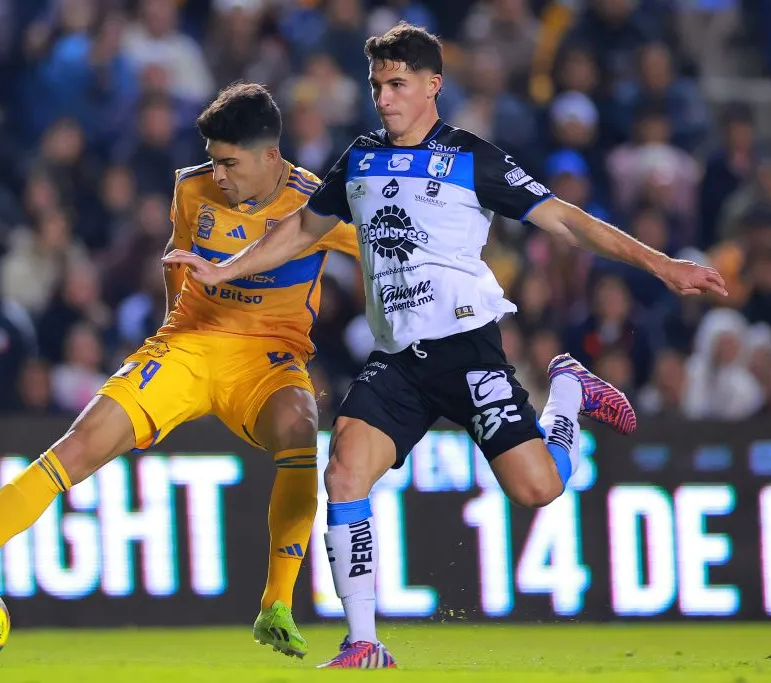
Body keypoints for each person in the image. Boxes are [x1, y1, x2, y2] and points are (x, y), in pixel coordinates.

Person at [164, 23, 728, 669]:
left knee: (538, 490)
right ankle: (364, 641)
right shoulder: (360, 158)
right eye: (377, 84)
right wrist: (223, 268)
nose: (384, 97)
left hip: (466, 349)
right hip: (397, 360)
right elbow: (300, 229)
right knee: (344, 467)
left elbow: (567, 219)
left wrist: (665, 265)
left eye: (398, 83)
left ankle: (568, 389)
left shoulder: (471, 158)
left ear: (433, 85)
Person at [0, 83, 361, 659]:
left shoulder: (318, 204)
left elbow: (385, 252)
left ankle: (277, 606)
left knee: (300, 431)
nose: (217, 174)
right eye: (213, 160)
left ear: (271, 156)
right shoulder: (191, 187)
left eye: (229, 163)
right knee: (80, 444)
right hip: (188, 348)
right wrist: (171, 327)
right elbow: (177, 250)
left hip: (266, 361)